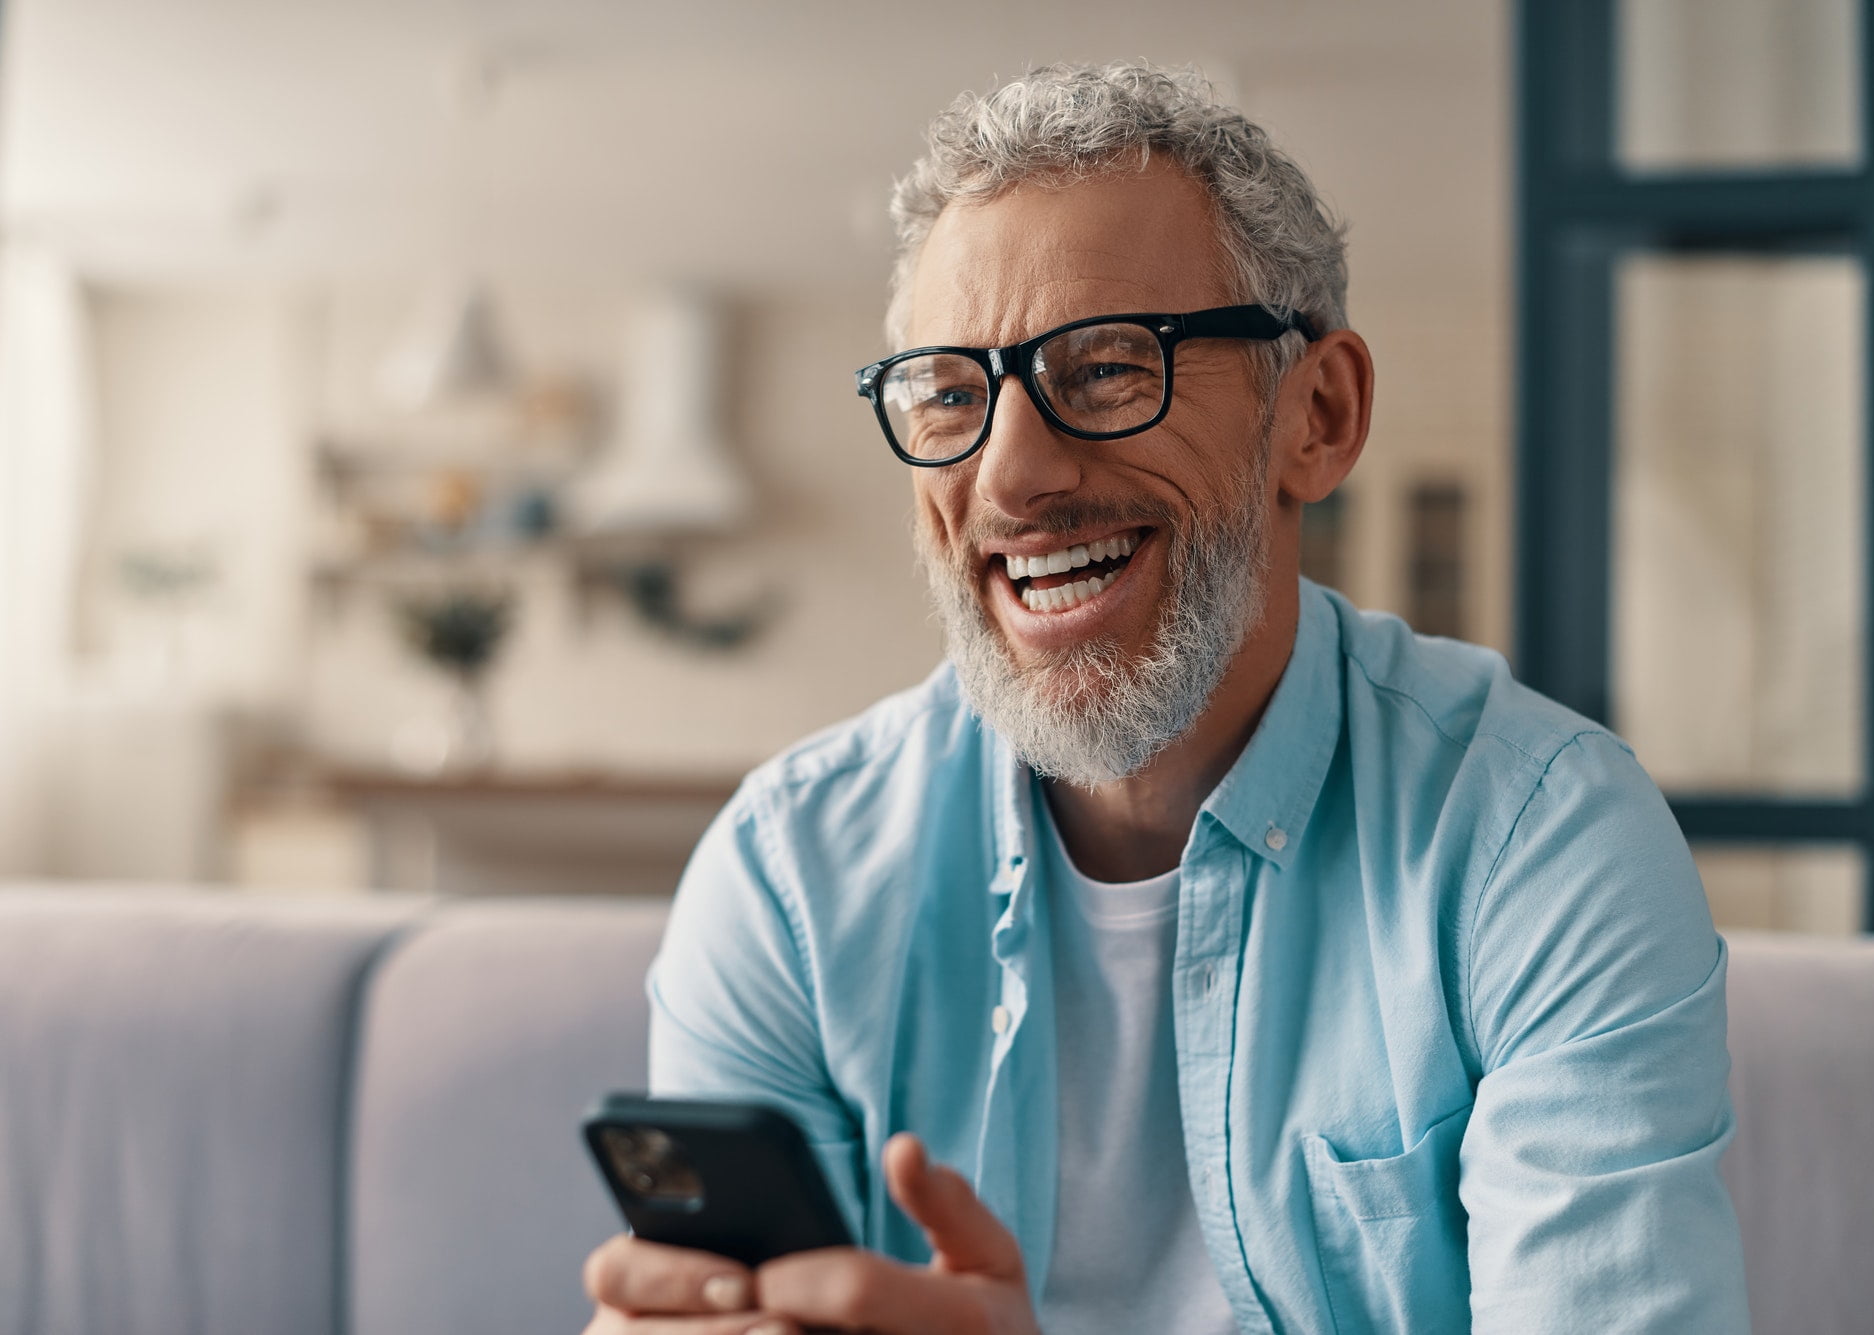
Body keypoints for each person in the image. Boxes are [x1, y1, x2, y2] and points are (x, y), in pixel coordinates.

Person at [582, 62, 1751, 1335]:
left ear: (1318, 414)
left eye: (1102, 369)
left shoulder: (1537, 842)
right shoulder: (786, 882)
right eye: (951, 396)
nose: (1011, 477)